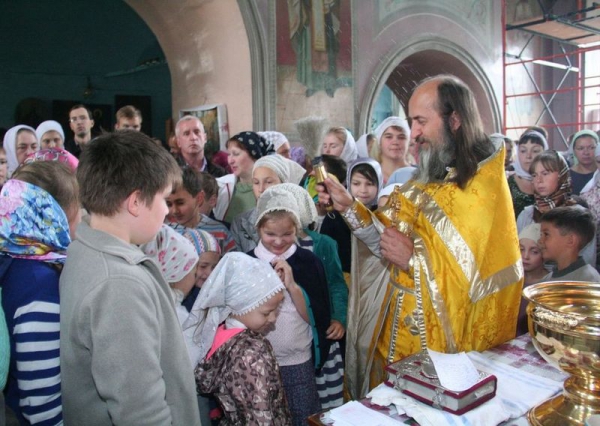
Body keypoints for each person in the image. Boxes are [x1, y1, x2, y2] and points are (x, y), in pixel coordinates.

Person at [318, 74, 523, 398]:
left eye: (421, 121)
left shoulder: (482, 190)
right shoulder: (431, 175)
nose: (414, 133)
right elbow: (385, 241)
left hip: (440, 354)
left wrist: (413, 260)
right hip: (394, 335)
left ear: (454, 120)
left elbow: (481, 287)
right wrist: (349, 207)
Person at [59, 131, 201, 425]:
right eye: (164, 198)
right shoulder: (118, 284)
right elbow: (141, 412)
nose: (166, 211)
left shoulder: (84, 247)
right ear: (136, 201)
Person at [0, 162, 80, 425]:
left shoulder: (15, 260)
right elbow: (41, 398)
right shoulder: (39, 284)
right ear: (53, 215)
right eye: (77, 210)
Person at [249, 187, 331, 425]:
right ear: (258, 229)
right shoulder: (246, 262)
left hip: (298, 360)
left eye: (286, 234)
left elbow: (316, 318)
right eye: (270, 234)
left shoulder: (309, 262)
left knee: (303, 417)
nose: (278, 241)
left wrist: (293, 287)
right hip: (257, 363)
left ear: (297, 230)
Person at [188, 252, 292, 425]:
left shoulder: (220, 333)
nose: (273, 318)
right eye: (266, 312)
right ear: (240, 304)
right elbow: (260, 415)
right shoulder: (251, 352)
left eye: (277, 310)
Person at [516, 150, 596, 266]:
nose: (539, 180)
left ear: (561, 176)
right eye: (534, 175)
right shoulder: (526, 214)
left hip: (568, 281)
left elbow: (587, 262)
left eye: (545, 173)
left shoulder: (579, 215)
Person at [231, 154, 306, 252]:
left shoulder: (299, 220)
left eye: (269, 182)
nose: (261, 189)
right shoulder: (241, 223)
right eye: (256, 182)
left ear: (284, 184)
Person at [167, 167, 237, 253]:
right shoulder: (164, 233)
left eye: (180, 203)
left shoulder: (221, 233)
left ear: (199, 198)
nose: (174, 210)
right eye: (169, 204)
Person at [215, 131, 275, 223]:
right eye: (229, 154)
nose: (230, 161)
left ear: (255, 155)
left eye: (236, 154)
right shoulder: (220, 185)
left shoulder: (273, 189)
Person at [540, 206, 600, 282]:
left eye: (546, 234)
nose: (540, 240)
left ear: (571, 240)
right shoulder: (546, 280)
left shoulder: (589, 282)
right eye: (541, 235)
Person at [507, 130, 548, 218]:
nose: (528, 156)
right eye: (523, 151)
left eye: (535, 151)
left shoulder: (554, 181)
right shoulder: (507, 182)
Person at [517, 223, 547, 335]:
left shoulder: (548, 284)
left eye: (534, 251)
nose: (525, 256)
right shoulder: (512, 281)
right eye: (521, 249)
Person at [369, 117, 412, 185]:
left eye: (401, 137)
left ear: (409, 142)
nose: (395, 142)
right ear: (379, 142)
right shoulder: (369, 175)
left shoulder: (418, 176)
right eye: (389, 137)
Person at [569, 129, 599, 195]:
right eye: (580, 148)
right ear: (574, 151)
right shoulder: (567, 176)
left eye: (591, 148)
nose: (586, 152)